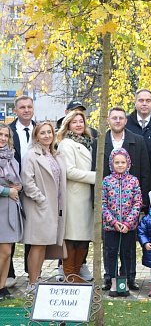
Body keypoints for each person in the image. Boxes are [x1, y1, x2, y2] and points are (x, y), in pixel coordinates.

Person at [95, 106, 150, 291]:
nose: (117, 121)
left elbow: (144, 172)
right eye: (114, 118)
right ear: (108, 120)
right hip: (109, 211)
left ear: (126, 121)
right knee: (110, 248)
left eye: (121, 118)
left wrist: (140, 206)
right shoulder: (100, 142)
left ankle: (129, 277)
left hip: (129, 211)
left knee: (128, 248)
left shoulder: (137, 141)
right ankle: (109, 277)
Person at [21, 122, 66, 292]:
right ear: (36, 136)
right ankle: (32, 283)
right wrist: (42, 200)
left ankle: (37, 279)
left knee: (44, 245)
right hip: (39, 207)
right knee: (37, 245)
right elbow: (27, 181)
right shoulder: (31, 155)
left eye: (49, 132)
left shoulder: (54, 154)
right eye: (43, 133)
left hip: (53, 207)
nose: (47, 135)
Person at [55, 99, 96, 282]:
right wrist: (96, 177)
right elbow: (69, 171)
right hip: (73, 196)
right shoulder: (66, 143)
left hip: (86, 196)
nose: (79, 125)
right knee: (71, 236)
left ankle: (76, 272)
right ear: (68, 124)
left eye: (81, 121)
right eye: (74, 122)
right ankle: (69, 273)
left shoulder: (88, 141)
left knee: (84, 237)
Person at [102, 148, 142, 297]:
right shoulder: (106, 181)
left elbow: (137, 202)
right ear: (111, 163)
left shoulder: (133, 181)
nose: (120, 165)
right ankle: (112, 281)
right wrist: (113, 222)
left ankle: (123, 281)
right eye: (116, 162)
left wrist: (128, 223)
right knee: (111, 252)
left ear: (128, 163)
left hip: (128, 227)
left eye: (123, 162)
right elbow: (103, 204)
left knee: (126, 253)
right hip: (111, 227)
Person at [7, 95, 36, 288]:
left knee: (33, 231)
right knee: (10, 230)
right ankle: (8, 273)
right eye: (22, 107)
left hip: (34, 188)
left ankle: (32, 272)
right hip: (12, 189)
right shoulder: (7, 132)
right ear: (15, 111)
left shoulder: (40, 130)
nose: (26, 110)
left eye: (29, 107)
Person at [0, 123, 23, 300]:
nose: (3, 138)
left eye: (6, 135)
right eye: (0, 134)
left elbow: (17, 180)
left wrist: (19, 186)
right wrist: (8, 191)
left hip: (10, 207)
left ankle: (2, 287)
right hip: (2, 203)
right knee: (3, 251)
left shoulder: (11, 157)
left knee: (7, 251)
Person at [126, 88, 151, 167]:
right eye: (141, 100)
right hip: (129, 175)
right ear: (135, 102)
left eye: (148, 101)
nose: (144, 104)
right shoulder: (125, 123)